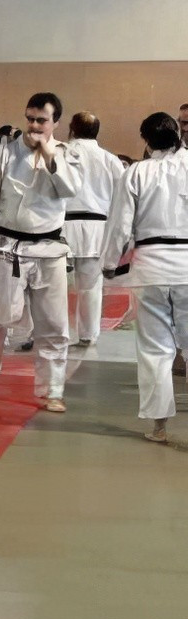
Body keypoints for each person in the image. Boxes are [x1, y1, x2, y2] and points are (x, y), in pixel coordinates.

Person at [0, 92, 82, 411]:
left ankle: (52, 389)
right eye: (30, 119)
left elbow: (70, 189)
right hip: (7, 247)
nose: (35, 125)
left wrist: (49, 154)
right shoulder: (5, 153)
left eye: (42, 120)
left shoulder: (65, 154)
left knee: (53, 324)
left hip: (50, 249)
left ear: (56, 122)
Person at [103, 112, 188, 442]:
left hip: (150, 267)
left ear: (146, 140)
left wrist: (110, 262)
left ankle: (159, 427)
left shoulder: (136, 172)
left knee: (155, 350)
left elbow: (120, 225)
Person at [61, 111, 124, 348]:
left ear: (72, 129)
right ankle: (87, 335)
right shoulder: (111, 160)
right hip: (98, 228)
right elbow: (122, 199)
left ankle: (52, 333)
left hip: (60, 227)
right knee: (90, 287)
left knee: (51, 286)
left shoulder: (59, 154)